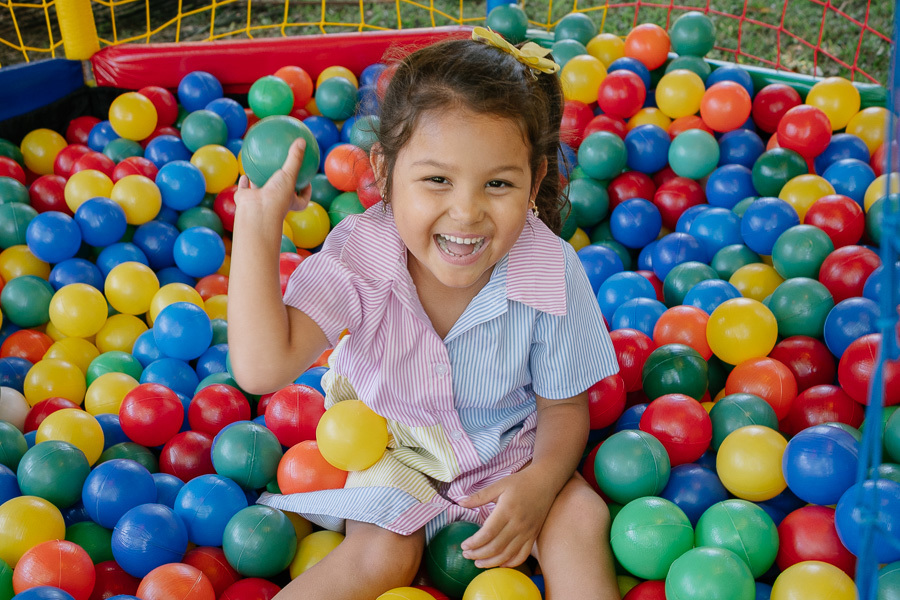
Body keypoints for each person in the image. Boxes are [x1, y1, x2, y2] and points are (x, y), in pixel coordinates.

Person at [228, 26, 620, 600]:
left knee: (580, 518)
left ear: (535, 181)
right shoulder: (361, 256)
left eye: (498, 184)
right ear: (384, 172)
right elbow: (262, 369)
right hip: (394, 451)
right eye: (437, 180)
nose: (466, 212)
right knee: (383, 552)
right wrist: (258, 225)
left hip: (509, 451)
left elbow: (563, 407)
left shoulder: (549, 268)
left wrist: (539, 484)